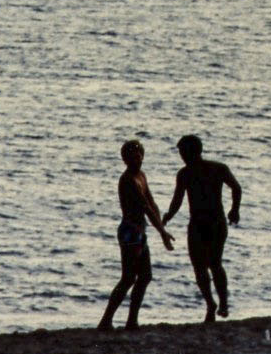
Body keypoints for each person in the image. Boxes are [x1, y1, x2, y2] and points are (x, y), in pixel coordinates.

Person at [163, 134, 241, 323]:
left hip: (212, 223)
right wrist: (166, 217)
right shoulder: (188, 173)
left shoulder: (212, 169)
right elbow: (178, 200)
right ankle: (212, 304)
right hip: (202, 224)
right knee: (203, 267)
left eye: (183, 152)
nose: (181, 156)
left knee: (213, 264)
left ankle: (221, 303)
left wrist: (234, 210)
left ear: (193, 152)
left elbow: (236, 188)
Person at [98, 139, 175, 331]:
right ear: (125, 159)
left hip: (140, 230)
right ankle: (106, 320)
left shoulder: (141, 176)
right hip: (130, 231)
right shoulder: (128, 180)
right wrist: (163, 234)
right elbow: (145, 207)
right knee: (128, 277)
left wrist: (161, 224)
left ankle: (132, 320)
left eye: (139, 155)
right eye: (132, 156)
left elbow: (152, 203)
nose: (137, 159)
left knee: (145, 276)